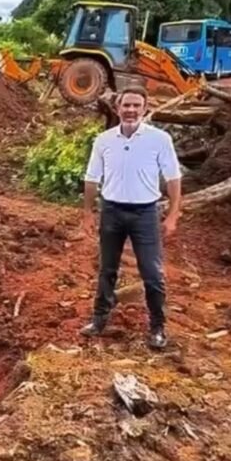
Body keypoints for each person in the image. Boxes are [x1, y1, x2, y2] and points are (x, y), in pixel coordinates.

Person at [80, 86, 182, 349]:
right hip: (111, 211)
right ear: (117, 108)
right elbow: (92, 178)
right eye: (126, 105)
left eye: (137, 105)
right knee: (107, 269)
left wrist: (172, 215)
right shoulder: (104, 140)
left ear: (145, 108)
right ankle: (99, 320)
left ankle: (157, 327)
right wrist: (88, 213)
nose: (131, 110)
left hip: (145, 214)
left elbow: (173, 178)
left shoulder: (159, 139)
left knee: (151, 272)